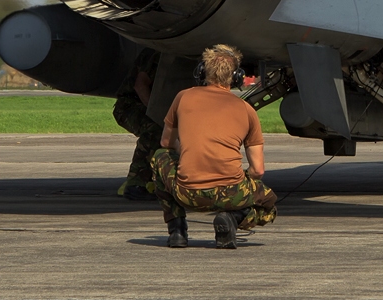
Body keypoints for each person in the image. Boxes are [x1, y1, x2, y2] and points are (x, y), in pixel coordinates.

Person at [151, 44, 276, 249]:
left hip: (187, 194)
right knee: (268, 203)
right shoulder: (247, 110)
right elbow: (258, 170)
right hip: (231, 194)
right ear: (236, 76)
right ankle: (232, 218)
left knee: (159, 157)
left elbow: (165, 143)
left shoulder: (183, 97)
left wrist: (187, 152)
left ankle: (177, 230)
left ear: (202, 72)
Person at [112, 49, 161, 201]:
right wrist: (156, 113)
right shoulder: (155, 52)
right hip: (129, 105)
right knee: (154, 129)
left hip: (147, 104)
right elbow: (140, 85)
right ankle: (136, 183)